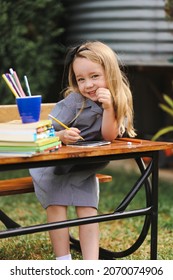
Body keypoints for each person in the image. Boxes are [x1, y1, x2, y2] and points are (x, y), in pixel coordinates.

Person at [29, 41, 136, 260]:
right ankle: (63, 262)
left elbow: (109, 136)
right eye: (81, 79)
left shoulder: (118, 100)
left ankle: (91, 265)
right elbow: (41, 133)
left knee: (88, 209)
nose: (88, 85)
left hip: (82, 167)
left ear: (111, 73)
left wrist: (109, 108)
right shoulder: (74, 101)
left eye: (94, 76)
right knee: (57, 204)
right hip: (53, 166)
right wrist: (61, 136)